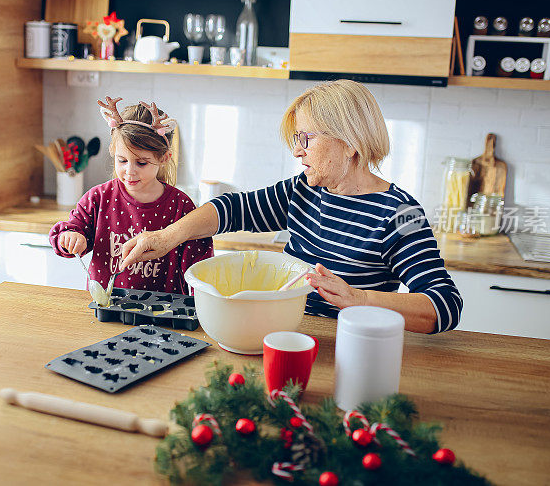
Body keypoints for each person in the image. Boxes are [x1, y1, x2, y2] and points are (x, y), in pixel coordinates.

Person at [119, 80, 461, 334]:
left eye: (305, 139)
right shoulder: (305, 190)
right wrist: (167, 237)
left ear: (349, 142)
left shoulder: (401, 215)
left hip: (348, 343)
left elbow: (445, 305)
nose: (297, 152)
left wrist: (358, 298)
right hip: (284, 332)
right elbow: (232, 209)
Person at [49, 97, 213, 294]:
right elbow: (72, 229)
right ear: (113, 152)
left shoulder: (181, 206)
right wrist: (71, 238)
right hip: (108, 310)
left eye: (141, 163)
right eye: (122, 160)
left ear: (164, 158)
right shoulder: (98, 198)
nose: (130, 171)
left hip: (164, 313)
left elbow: (199, 268)